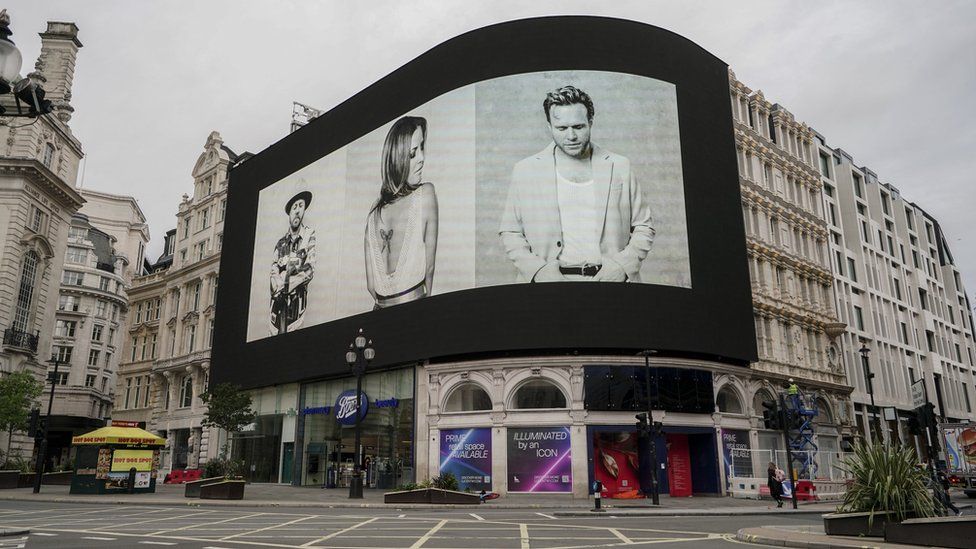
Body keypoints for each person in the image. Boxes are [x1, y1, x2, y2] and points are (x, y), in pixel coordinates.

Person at [498, 85, 654, 282]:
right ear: (549, 127)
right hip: (548, 285)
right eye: (561, 128)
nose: (571, 136)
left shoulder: (620, 166)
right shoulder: (525, 170)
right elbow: (510, 231)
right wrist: (538, 271)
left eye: (578, 127)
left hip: (611, 282)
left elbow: (644, 226)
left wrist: (621, 267)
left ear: (590, 122)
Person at [365, 116, 439, 308]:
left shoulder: (372, 214)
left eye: (422, 147)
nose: (422, 158)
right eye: (413, 153)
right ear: (397, 159)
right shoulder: (426, 194)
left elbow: (371, 286)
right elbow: (429, 269)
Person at [270, 190, 316, 334]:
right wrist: (277, 286)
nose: (297, 211)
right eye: (294, 207)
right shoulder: (280, 243)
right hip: (276, 311)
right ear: (289, 212)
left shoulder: (309, 235)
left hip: (296, 311)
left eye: (300, 206)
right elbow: (273, 269)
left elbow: (309, 268)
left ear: (304, 210)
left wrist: (284, 284)